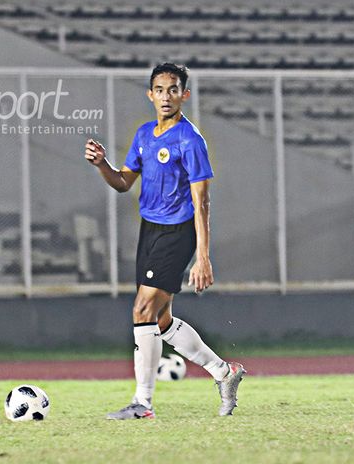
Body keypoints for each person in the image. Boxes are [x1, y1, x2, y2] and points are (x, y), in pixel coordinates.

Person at [84, 63, 246, 419]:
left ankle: (143, 403)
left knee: (142, 309)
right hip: (150, 231)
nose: (166, 96)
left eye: (174, 89)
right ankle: (224, 372)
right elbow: (124, 182)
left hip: (178, 233)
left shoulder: (190, 140)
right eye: (160, 89)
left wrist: (203, 256)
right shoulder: (144, 135)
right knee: (159, 322)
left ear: (184, 95)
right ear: (150, 94)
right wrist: (102, 164)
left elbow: (202, 202)